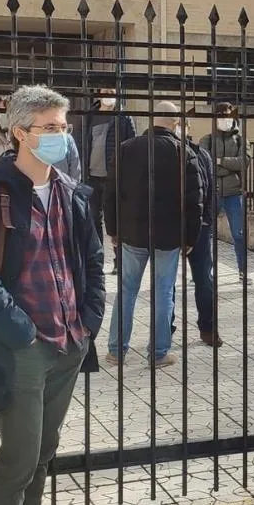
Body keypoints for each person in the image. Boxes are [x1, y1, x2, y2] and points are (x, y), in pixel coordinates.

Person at [0, 85, 105, 505]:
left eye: (64, 126)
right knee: (18, 461)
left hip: (70, 343)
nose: (62, 136)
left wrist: (89, 320)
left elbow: (93, 260)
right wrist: (20, 332)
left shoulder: (71, 192)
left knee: (43, 453)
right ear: (20, 132)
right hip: (22, 351)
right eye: (50, 128)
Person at [104, 101, 203, 368]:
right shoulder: (183, 152)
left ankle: (116, 351)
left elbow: (110, 192)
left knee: (126, 291)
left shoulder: (126, 149)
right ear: (175, 123)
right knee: (163, 292)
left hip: (132, 233)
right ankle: (158, 353)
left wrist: (113, 229)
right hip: (168, 236)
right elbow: (194, 200)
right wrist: (191, 237)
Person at [72, 87, 136, 273]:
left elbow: (131, 145)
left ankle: (119, 261)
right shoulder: (88, 116)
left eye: (112, 92)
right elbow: (79, 145)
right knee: (93, 220)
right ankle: (97, 259)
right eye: (106, 92)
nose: (109, 96)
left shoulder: (123, 118)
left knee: (116, 219)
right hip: (91, 177)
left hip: (114, 178)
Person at [176, 120, 223, 347]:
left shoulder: (202, 154)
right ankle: (166, 329)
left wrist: (208, 221)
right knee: (166, 282)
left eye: (182, 124)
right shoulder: (162, 151)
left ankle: (208, 328)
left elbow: (211, 188)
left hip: (200, 227)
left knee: (204, 278)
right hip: (170, 226)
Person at [200, 102, 250, 284]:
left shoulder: (241, 140)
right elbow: (205, 163)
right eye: (220, 115)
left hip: (234, 192)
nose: (224, 118)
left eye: (227, 115)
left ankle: (243, 271)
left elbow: (244, 162)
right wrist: (229, 166)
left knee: (239, 234)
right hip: (212, 191)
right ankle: (205, 271)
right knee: (207, 233)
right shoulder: (206, 140)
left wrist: (220, 161)